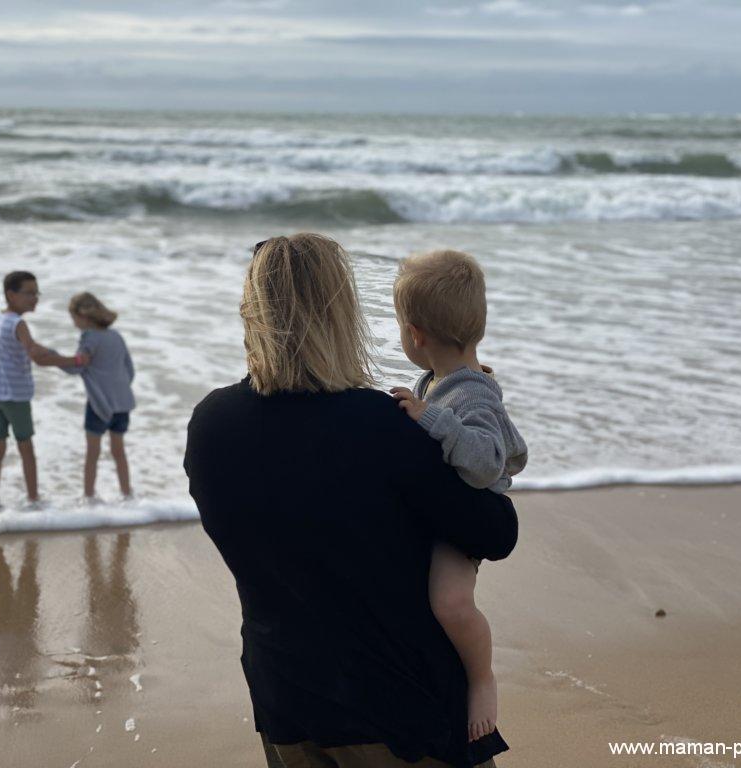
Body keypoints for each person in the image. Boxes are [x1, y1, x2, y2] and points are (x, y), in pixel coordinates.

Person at [184, 234, 518, 768]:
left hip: (285, 702)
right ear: (342, 312)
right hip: (401, 712)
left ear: (251, 308)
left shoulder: (210, 427)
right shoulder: (380, 425)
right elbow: (496, 532)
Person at [390, 249, 528, 743]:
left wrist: (431, 418)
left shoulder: (472, 394)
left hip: (467, 525)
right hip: (444, 511)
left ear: (416, 335)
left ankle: (482, 678)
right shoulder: (443, 380)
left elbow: (486, 461)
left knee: (450, 603)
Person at [0, 271, 83, 513]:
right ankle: (33, 499)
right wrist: (72, 361)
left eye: (37, 293)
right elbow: (36, 357)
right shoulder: (19, 324)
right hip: (16, 397)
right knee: (26, 447)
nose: (35, 298)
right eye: (29, 293)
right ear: (11, 295)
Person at [64, 292, 136, 501]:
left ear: (83, 316)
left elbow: (78, 367)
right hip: (122, 404)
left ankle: (89, 497)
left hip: (99, 406)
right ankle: (127, 494)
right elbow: (129, 370)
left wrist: (53, 360)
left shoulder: (89, 337)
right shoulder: (116, 336)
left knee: (92, 454)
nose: (74, 323)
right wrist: (117, 389)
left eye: (73, 317)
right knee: (118, 452)